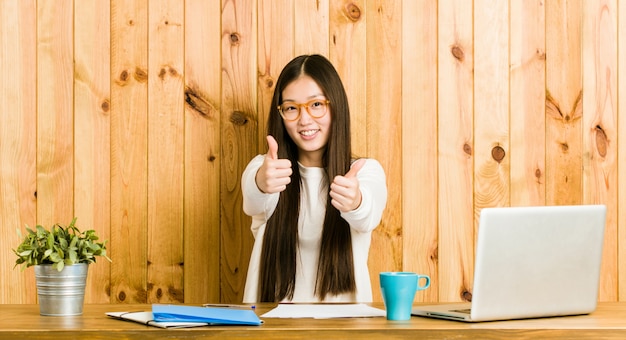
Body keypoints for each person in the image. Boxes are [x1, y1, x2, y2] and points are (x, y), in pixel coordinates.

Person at [241, 54, 387, 303]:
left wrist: (355, 201)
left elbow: (367, 216)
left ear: (335, 105)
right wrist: (262, 183)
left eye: (316, 104)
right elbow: (253, 202)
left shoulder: (365, 172)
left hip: (343, 329)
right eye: (291, 108)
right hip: (269, 328)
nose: (305, 119)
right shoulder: (266, 169)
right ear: (281, 115)